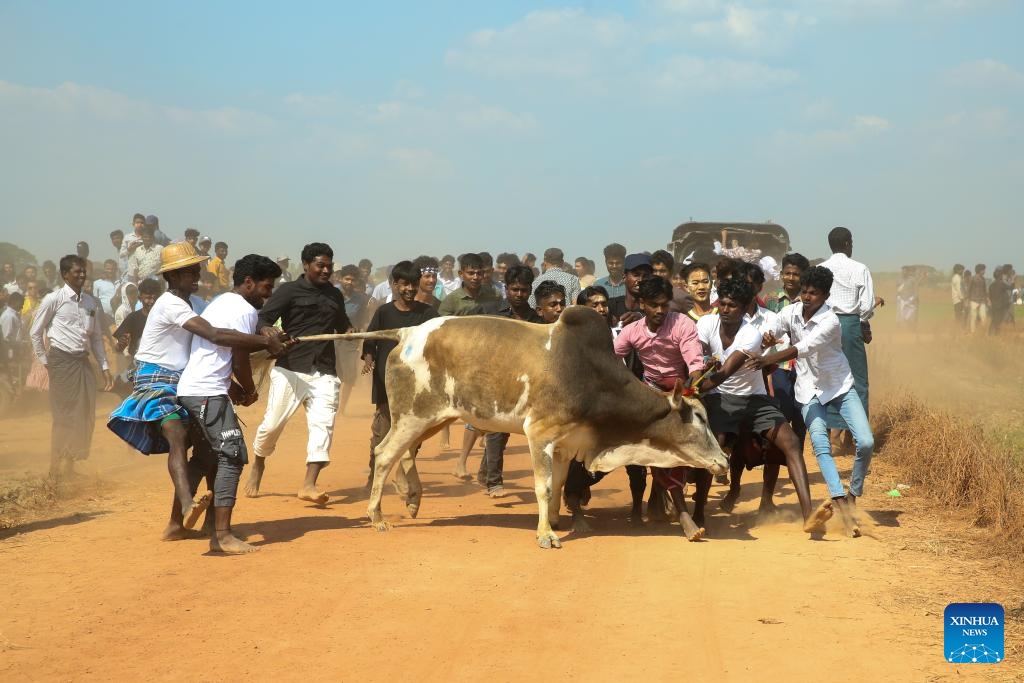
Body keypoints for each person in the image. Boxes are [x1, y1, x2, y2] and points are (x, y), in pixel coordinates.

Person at [107, 243, 288, 539]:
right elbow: (217, 336)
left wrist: (238, 382)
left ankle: (180, 525)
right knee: (181, 438)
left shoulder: (201, 306)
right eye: (191, 271)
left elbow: (208, 354)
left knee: (207, 453)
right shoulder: (170, 304)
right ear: (174, 276)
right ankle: (192, 506)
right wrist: (266, 342)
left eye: (197, 269)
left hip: (183, 381)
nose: (197, 274)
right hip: (155, 381)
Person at [746, 265, 874, 537]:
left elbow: (803, 348)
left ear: (825, 295)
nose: (806, 297)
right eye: (804, 291)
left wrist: (767, 359)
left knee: (866, 442)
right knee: (820, 445)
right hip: (808, 390)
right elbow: (772, 328)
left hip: (839, 385)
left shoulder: (831, 321)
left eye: (813, 293)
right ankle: (839, 500)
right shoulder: (791, 311)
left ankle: (853, 493)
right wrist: (768, 338)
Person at [177, 254, 282, 554]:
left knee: (207, 457)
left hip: (198, 389)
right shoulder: (242, 310)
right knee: (233, 454)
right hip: (207, 392)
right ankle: (221, 535)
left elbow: (219, 357)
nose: (269, 293)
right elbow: (238, 358)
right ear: (248, 283)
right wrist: (248, 390)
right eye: (266, 286)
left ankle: (179, 520)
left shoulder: (223, 302)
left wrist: (235, 390)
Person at [246, 242, 354, 505]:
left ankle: (309, 484)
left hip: (325, 370)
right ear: (306, 265)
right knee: (272, 424)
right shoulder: (288, 291)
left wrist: (350, 332)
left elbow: (342, 326)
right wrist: (267, 331)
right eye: (321, 265)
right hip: (290, 367)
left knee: (323, 426)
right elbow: (264, 319)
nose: (326, 270)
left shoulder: (335, 295)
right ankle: (259, 462)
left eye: (329, 265)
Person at [610, 276, 703, 534]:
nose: (660, 311)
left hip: (681, 392)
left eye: (664, 305)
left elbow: (694, 363)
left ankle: (688, 503)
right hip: (649, 395)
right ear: (642, 304)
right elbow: (609, 359)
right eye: (654, 305)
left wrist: (692, 387)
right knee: (656, 449)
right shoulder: (631, 331)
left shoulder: (682, 324)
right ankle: (684, 514)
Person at [29, 255, 113, 478]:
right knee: (64, 414)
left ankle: (71, 465)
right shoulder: (53, 299)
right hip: (61, 361)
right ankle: (55, 468)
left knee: (85, 413)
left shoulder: (91, 302)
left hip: (83, 362)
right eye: (77, 272)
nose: (82, 275)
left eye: (83, 270)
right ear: (65, 275)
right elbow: (35, 332)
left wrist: (104, 366)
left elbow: (95, 338)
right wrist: (45, 361)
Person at [362, 261, 440, 490]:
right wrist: (369, 357)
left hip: (418, 385)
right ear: (394, 284)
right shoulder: (384, 312)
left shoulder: (428, 314)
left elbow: (441, 337)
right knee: (382, 433)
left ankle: (402, 474)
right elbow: (371, 338)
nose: (409, 289)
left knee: (414, 434)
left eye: (413, 284)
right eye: (404, 284)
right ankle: (373, 477)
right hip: (387, 383)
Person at [472, 266, 545, 497]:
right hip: (496, 378)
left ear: (530, 290)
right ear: (506, 289)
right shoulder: (492, 313)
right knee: (496, 430)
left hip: (527, 381)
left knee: (508, 430)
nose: (519, 294)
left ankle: (485, 472)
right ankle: (494, 481)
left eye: (524, 290)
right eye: (514, 289)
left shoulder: (536, 319)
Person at [819, 227, 878, 438]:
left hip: (824, 325)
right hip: (850, 324)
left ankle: (828, 432)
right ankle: (857, 433)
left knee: (827, 377)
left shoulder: (820, 268)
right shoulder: (860, 268)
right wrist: (863, 322)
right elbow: (867, 305)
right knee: (857, 379)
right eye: (851, 242)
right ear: (847, 244)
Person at [336, 264, 371, 415]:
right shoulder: (333, 295)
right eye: (346, 279)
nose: (349, 282)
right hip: (332, 339)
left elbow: (364, 320)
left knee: (349, 377)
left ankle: (342, 409)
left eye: (352, 280)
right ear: (340, 279)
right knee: (333, 376)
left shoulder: (361, 300)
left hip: (350, 342)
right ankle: (332, 407)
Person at [112, 279, 162, 360]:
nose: (152, 301)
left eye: (155, 298)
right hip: (138, 363)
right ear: (140, 298)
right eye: (148, 298)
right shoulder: (132, 318)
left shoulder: (164, 317)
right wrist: (121, 344)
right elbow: (117, 349)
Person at [950, 264, 966, 328]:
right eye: (962, 270)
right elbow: (959, 289)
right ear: (958, 270)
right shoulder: (957, 278)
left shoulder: (955, 277)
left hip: (956, 299)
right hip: (958, 299)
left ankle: (957, 329)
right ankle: (958, 329)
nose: (963, 271)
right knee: (959, 316)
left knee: (958, 315)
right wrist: (962, 298)